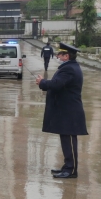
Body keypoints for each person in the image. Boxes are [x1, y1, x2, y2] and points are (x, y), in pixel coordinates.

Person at [36, 42, 87, 179]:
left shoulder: (69, 69)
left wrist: (42, 83)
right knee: (66, 140)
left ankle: (71, 170)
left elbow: (57, 84)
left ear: (66, 56)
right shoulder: (69, 67)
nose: (57, 56)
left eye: (60, 54)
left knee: (69, 141)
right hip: (66, 111)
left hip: (70, 112)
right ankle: (67, 167)